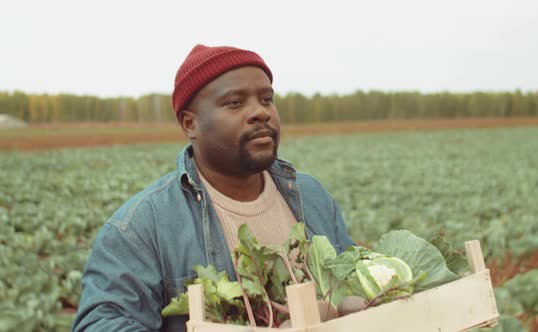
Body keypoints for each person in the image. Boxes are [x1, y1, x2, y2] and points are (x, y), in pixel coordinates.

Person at [72, 44, 355, 332]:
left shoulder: (311, 195)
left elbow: (353, 282)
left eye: (267, 99)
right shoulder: (140, 227)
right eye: (235, 102)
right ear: (190, 123)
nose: (260, 112)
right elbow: (100, 323)